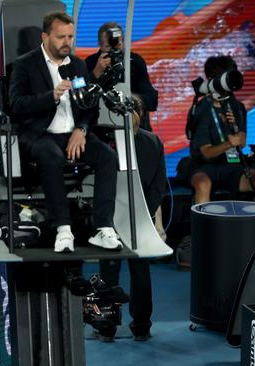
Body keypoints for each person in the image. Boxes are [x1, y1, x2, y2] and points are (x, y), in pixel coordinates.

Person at [9, 12, 123, 253]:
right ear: (45, 36)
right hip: (41, 135)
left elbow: (89, 106)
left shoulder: (78, 65)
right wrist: (51, 96)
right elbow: (17, 105)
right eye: (61, 37)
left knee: (108, 157)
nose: (67, 43)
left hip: (73, 134)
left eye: (70, 37)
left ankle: (103, 228)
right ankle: (63, 229)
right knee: (52, 156)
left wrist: (81, 130)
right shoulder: (24, 65)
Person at [96, 95, 166, 342]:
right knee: (139, 272)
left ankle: (106, 328)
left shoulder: (105, 144)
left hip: (113, 218)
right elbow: (159, 186)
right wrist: (147, 213)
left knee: (109, 273)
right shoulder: (154, 141)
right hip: (140, 217)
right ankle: (142, 327)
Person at [188, 55, 255, 204]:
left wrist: (235, 128)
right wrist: (228, 143)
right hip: (204, 167)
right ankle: (202, 225)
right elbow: (206, 153)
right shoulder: (201, 109)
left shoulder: (237, 107)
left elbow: (242, 143)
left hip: (233, 165)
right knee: (202, 184)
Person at [84, 22, 158, 132]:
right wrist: (95, 73)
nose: (114, 51)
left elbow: (152, 99)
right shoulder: (90, 62)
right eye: (108, 47)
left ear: (122, 42)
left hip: (133, 126)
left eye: (117, 45)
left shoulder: (134, 62)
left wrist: (134, 100)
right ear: (100, 45)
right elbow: (82, 95)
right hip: (100, 128)